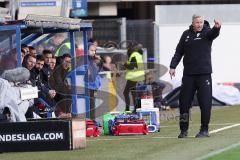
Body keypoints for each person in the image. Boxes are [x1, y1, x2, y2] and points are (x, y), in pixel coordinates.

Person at [169, 14, 221, 138]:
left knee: (205, 103)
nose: (199, 24)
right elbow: (179, 52)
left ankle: (204, 130)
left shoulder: (208, 33)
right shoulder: (186, 34)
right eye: (197, 22)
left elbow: (213, 33)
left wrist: (217, 28)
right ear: (193, 23)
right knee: (184, 103)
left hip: (204, 75)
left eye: (201, 22)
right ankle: (183, 130)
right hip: (188, 75)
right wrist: (172, 66)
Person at [123, 43, 145, 112]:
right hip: (137, 76)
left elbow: (132, 67)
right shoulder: (138, 55)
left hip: (134, 77)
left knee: (126, 92)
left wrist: (125, 64)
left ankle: (128, 109)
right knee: (133, 93)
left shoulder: (134, 55)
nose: (127, 51)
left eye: (128, 49)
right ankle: (135, 109)